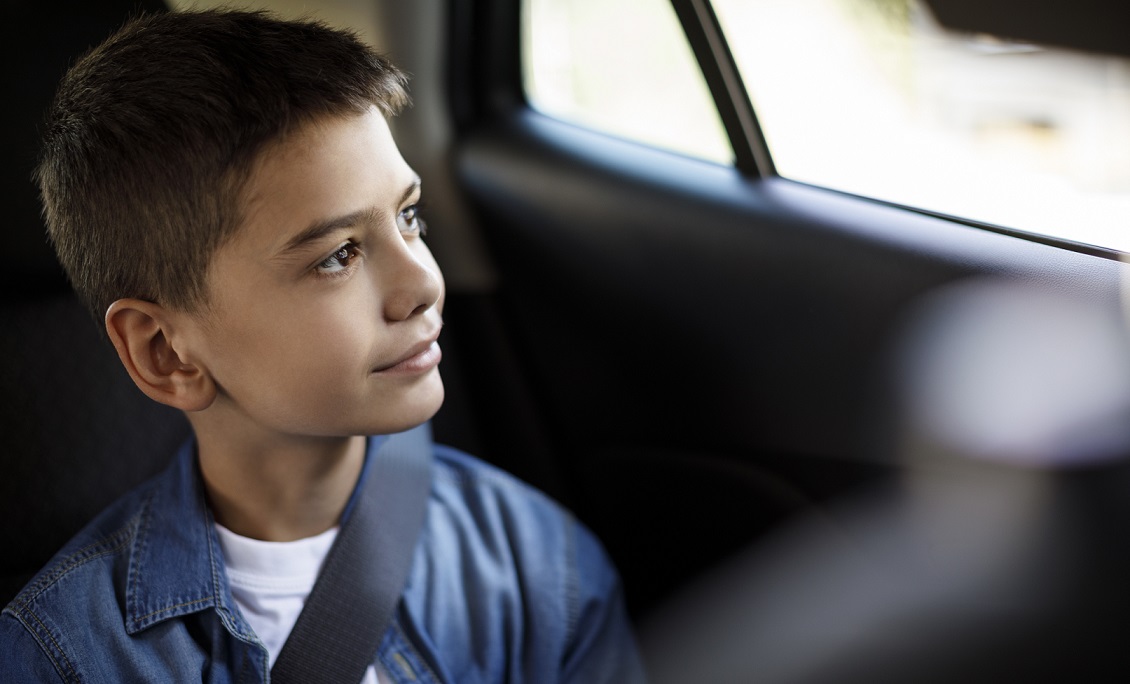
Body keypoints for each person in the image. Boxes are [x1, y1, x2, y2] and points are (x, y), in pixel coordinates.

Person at [0, 9, 644, 683]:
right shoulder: (65, 655)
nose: (421, 282)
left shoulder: (536, 564)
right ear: (166, 352)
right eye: (338, 255)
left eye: (410, 216)